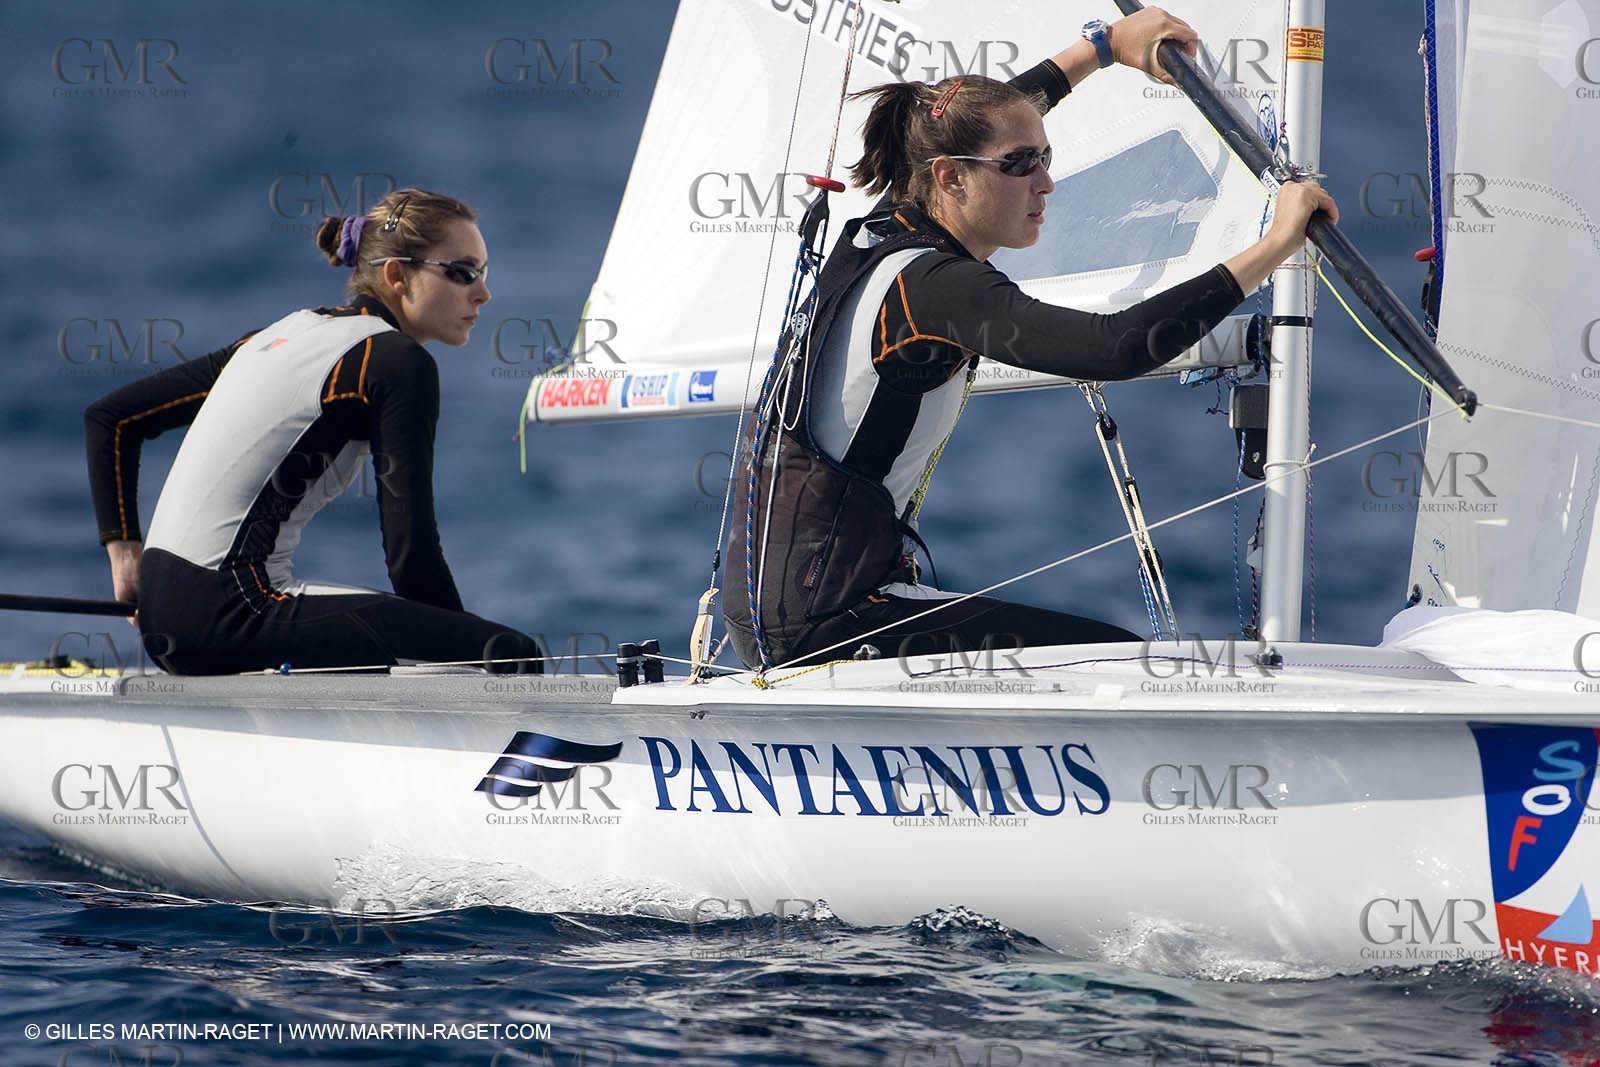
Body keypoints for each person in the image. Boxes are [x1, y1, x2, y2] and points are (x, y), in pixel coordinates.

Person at [724, 10, 1339, 670]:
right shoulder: (933, 289)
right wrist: (1275, 245)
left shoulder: (890, 226)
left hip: (785, 606)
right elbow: (1114, 348)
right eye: (1022, 166)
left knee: (1110, 657)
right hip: (828, 619)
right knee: (1121, 663)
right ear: (951, 178)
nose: (1046, 181)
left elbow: (985, 122)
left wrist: (1102, 50)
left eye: (1045, 157)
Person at [84, 188, 545, 675]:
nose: (483, 293)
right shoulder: (395, 361)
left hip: (168, 613)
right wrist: (470, 657)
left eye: (483, 273)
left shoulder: (280, 335)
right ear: (397, 275)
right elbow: (411, 555)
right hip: (235, 611)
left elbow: (113, 419)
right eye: (462, 272)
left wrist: (126, 557)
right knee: (511, 652)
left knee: (413, 637)